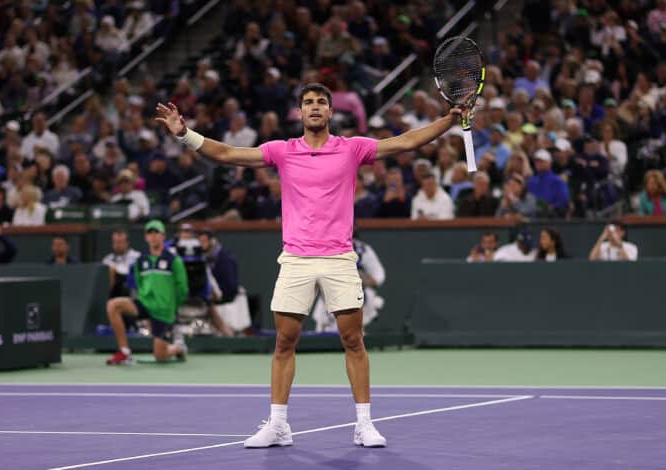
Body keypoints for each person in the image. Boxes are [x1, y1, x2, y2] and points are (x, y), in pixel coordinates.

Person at [156, 82, 469, 448]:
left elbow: (406, 142)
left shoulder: (352, 148)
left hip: (339, 258)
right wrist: (185, 135)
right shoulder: (282, 152)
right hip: (296, 259)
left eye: (321, 102)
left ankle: (364, 424)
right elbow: (227, 153)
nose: (315, 107)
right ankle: (278, 425)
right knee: (284, 342)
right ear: (300, 113)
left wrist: (448, 121)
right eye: (308, 102)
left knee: (353, 340)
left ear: (331, 112)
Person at [106, 220, 189, 365]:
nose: (153, 237)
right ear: (146, 237)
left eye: (157, 233)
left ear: (163, 236)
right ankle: (124, 352)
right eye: (150, 233)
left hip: (164, 311)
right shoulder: (140, 261)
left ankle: (178, 348)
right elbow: (139, 284)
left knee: (160, 356)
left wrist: (171, 308)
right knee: (113, 305)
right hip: (145, 304)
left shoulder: (174, 261)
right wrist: (145, 302)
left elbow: (182, 289)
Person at [312, 230, 386, 331]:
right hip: (331, 297)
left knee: (354, 336)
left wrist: (361, 279)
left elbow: (378, 277)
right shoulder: (327, 247)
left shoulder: (363, 249)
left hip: (357, 297)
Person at [169, 224, 234, 337]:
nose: (186, 234)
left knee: (213, 312)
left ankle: (231, 340)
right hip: (177, 296)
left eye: (189, 232)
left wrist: (214, 292)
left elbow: (208, 275)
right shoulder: (170, 252)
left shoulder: (201, 254)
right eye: (184, 232)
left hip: (200, 294)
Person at [102, 229, 141, 298]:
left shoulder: (137, 256)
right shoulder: (107, 259)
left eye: (120, 242)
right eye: (115, 242)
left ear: (127, 242)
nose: (117, 245)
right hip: (113, 291)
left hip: (131, 288)